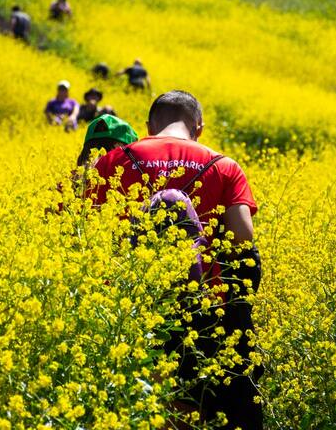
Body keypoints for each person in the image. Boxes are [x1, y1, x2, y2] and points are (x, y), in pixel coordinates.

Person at [89, 90, 263, 429]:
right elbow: (243, 237)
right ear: (199, 127)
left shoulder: (113, 161)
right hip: (202, 314)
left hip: (127, 311)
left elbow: (76, 226)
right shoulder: (224, 166)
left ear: (148, 127)